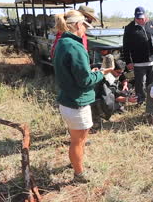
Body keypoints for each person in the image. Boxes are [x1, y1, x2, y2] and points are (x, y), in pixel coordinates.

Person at [53, 10, 112, 183]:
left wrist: (89, 72)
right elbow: (85, 81)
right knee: (78, 142)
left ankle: (76, 163)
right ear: (78, 25)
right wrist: (101, 73)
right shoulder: (75, 46)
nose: (85, 29)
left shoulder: (63, 42)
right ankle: (79, 174)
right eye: (85, 26)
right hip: (76, 103)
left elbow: (76, 74)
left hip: (68, 99)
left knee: (77, 139)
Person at [123, 6, 153, 105]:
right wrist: (128, 61)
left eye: (142, 17)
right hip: (139, 63)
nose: (141, 20)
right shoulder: (129, 28)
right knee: (140, 84)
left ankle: (152, 101)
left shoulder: (152, 24)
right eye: (138, 18)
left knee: (152, 83)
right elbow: (126, 46)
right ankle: (140, 101)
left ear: (145, 15)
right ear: (135, 17)